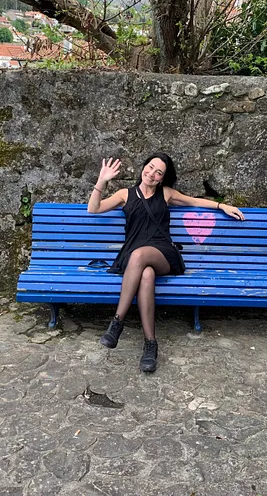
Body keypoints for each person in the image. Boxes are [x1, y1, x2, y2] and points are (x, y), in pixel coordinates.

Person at [87, 153, 245, 373]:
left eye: (158, 172)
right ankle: (150, 344)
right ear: (144, 167)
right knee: (146, 274)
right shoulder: (125, 194)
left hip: (162, 253)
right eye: (150, 168)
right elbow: (93, 209)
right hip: (134, 258)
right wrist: (102, 181)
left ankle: (117, 323)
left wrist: (221, 206)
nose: (151, 174)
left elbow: (194, 201)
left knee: (141, 257)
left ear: (162, 178)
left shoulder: (166, 194)